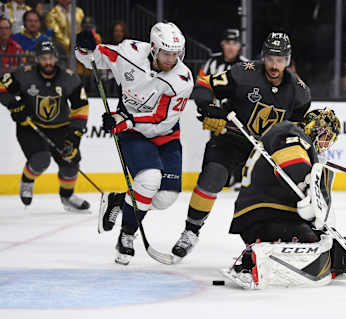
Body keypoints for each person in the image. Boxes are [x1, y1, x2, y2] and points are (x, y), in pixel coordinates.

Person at [171, 32, 312, 261]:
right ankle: (191, 231)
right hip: (232, 138)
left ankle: (282, 237)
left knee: (282, 191)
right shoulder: (243, 73)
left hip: (268, 151)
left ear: (288, 60)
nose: (274, 65)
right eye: (270, 58)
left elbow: (295, 130)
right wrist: (208, 107)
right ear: (263, 57)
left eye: (280, 59)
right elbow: (205, 85)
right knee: (213, 176)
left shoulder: (299, 92)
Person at [75, 22, 194, 265]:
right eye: (166, 53)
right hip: (133, 134)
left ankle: (119, 200)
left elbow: (161, 119)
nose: (171, 59)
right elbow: (95, 58)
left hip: (165, 135)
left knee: (165, 199)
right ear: (153, 48)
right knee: (149, 180)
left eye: (176, 54)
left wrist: (125, 120)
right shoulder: (129, 53)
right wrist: (84, 48)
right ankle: (127, 235)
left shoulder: (182, 79)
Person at [221, 109, 346, 289]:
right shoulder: (291, 134)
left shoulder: (297, 139)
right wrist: (307, 190)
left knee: (321, 239)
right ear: (317, 129)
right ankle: (252, 262)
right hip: (262, 212)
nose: (326, 144)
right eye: (326, 137)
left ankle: (265, 254)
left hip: (270, 211)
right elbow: (295, 169)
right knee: (310, 241)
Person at [0, 40, 90, 212]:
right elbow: (2, 86)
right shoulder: (25, 75)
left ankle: (67, 196)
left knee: (71, 163)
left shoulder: (69, 78)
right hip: (31, 126)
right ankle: (27, 180)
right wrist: (13, 105)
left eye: (50, 58)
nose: (47, 62)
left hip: (61, 128)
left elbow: (81, 107)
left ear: (56, 58)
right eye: (43, 58)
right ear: (36, 59)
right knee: (41, 160)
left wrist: (74, 135)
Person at [197, 28, 248, 190]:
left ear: (239, 45)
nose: (231, 47)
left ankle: (239, 178)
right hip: (216, 115)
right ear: (222, 44)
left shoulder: (245, 64)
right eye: (228, 43)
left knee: (241, 143)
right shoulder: (212, 62)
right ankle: (216, 179)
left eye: (235, 43)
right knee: (216, 144)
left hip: (238, 115)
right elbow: (201, 84)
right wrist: (206, 107)